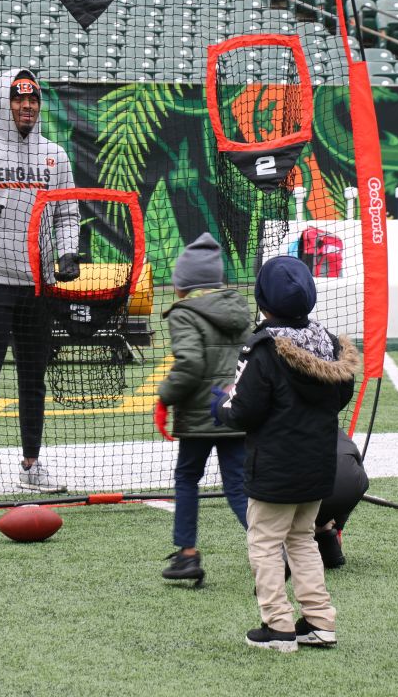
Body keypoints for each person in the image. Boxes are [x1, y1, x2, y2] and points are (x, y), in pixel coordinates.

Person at [214, 256, 359, 652]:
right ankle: (319, 621)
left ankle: (277, 625)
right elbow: (341, 394)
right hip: (316, 465)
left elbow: (243, 410)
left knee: (264, 542)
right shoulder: (329, 343)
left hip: (275, 467)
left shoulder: (263, 347)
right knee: (302, 539)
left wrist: (220, 407)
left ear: (262, 300)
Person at [0, 68, 81, 497]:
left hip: (38, 288)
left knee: (33, 379)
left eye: (33, 100)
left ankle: (31, 465)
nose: (27, 107)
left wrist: (67, 252)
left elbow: (68, 213)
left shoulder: (55, 156)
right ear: (2, 103)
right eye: (19, 99)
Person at [154, 233, 252, 585]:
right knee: (239, 487)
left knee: (186, 478)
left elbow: (190, 364)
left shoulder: (184, 314)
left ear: (183, 283)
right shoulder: (239, 308)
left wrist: (164, 397)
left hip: (199, 415)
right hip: (237, 411)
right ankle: (275, 550)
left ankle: (187, 555)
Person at [313, 430, 370, 569]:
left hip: (316, 489)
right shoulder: (337, 430)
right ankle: (330, 543)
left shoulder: (291, 425)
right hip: (355, 486)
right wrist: (339, 526)